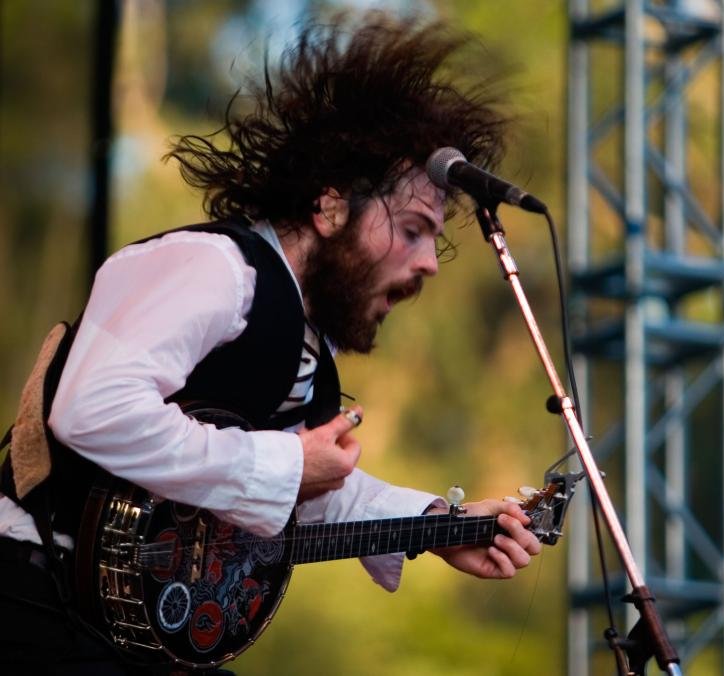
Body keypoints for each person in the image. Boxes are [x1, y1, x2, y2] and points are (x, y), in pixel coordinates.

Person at [0, 11, 540, 674]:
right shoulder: (213, 269)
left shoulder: (303, 339)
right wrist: (283, 466)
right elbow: (93, 409)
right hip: (31, 602)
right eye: (411, 229)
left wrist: (436, 524)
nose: (429, 263)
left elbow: (300, 482)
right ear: (331, 208)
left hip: (131, 638)